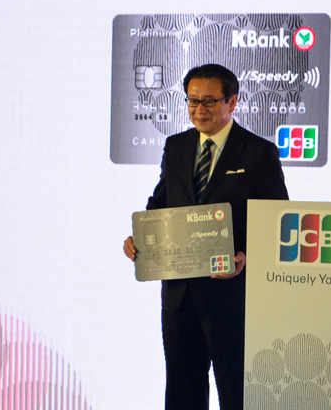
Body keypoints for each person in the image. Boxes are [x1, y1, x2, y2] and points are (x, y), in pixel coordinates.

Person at [122, 63, 289, 410]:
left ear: (232, 102)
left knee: (236, 392)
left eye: (210, 101)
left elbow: (277, 220)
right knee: (182, 392)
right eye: (193, 100)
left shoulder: (258, 152)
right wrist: (140, 235)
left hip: (231, 296)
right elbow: (162, 202)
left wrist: (247, 255)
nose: (200, 109)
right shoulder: (177, 146)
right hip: (179, 295)